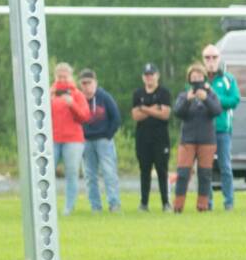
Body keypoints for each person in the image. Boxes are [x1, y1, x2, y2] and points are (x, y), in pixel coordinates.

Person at [171, 62, 221, 213]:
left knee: (205, 174)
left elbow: (217, 111)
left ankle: (202, 206)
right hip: (187, 140)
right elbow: (178, 112)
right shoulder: (183, 95)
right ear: (189, 80)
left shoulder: (211, 95)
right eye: (193, 77)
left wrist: (205, 98)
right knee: (183, 173)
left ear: (204, 79)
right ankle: (178, 206)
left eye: (199, 77)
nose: (196, 80)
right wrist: (188, 99)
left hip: (207, 140)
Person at [200, 43, 240, 211]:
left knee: (225, 166)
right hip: (203, 130)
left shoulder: (228, 79)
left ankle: (228, 201)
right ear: (203, 60)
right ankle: (207, 202)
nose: (211, 61)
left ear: (219, 58)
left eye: (214, 57)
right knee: (205, 167)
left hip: (223, 129)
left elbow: (234, 100)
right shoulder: (197, 79)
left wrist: (213, 99)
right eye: (207, 58)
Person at [78, 68, 123, 213]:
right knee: (90, 175)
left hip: (104, 140)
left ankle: (114, 204)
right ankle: (95, 206)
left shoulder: (104, 97)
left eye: (89, 83)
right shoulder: (79, 100)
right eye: (83, 83)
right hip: (86, 141)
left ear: (95, 83)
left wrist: (108, 135)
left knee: (109, 172)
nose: (86, 86)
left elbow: (116, 117)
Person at [50, 61, 92, 216]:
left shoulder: (77, 94)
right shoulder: (50, 92)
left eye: (65, 77)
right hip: (53, 139)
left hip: (73, 140)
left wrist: (72, 104)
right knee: (47, 172)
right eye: (59, 77)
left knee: (72, 172)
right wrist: (48, 98)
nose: (62, 80)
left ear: (70, 77)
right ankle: (48, 206)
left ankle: (69, 206)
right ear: (55, 77)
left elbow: (85, 116)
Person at [130, 63, 172, 212]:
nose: (149, 78)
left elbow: (165, 114)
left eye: (152, 75)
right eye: (146, 75)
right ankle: (144, 202)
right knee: (144, 170)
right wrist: (154, 109)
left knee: (162, 170)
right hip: (143, 138)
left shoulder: (164, 93)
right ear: (143, 77)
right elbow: (135, 115)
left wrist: (145, 109)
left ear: (157, 76)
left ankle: (166, 202)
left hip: (160, 138)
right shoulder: (138, 93)